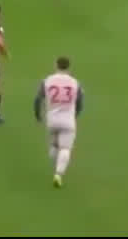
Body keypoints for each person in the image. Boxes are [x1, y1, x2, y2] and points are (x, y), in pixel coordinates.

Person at [35, 56, 84, 187]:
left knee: (54, 146)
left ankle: (56, 166)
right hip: (68, 119)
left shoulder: (47, 81)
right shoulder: (75, 83)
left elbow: (38, 99)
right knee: (65, 148)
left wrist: (38, 115)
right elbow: (80, 102)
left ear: (56, 65)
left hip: (52, 119)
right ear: (69, 67)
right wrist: (76, 114)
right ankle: (58, 174)